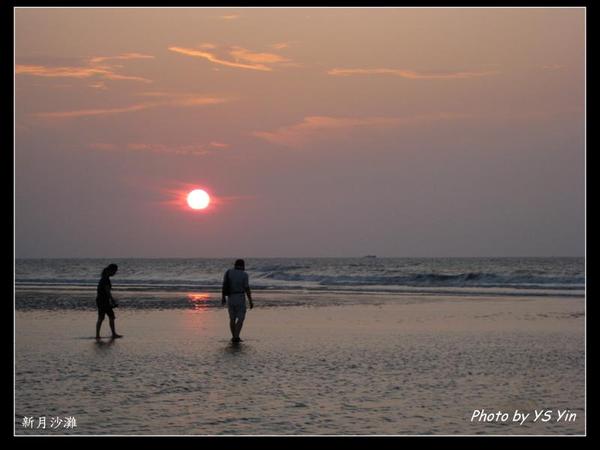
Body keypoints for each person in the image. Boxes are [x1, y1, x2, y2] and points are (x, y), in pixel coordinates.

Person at [222, 259, 253, 343]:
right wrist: (250, 301)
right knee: (241, 318)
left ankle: (234, 336)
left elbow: (224, 285)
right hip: (240, 297)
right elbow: (247, 288)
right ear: (243, 265)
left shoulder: (228, 272)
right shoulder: (244, 275)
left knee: (232, 318)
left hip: (230, 297)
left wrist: (223, 297)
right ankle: (236, 336)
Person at [95, 263, 123, 340]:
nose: (114, 273)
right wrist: (112, 300)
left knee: (104, 317)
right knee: (108, 317)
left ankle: (98, 335)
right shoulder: (106, 280)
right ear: (110, 270)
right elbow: (107, 292)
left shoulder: (104, 278)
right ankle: (112, 334)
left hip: (101, 300)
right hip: (103, 301)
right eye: (114, 271)